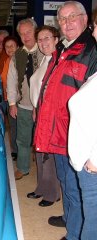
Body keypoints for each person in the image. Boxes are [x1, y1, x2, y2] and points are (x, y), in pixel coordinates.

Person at [34, 1, 97, 239]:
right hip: (60, 132)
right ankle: (71, 219)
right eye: (62, 19)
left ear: (85, 20)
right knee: (66, 183)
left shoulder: (91, 51)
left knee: (77, 188)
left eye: (73, 17)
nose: (67, 23)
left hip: (75, 134)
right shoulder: (62, 48)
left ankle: (76, 232)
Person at [68, 8, 97, 240]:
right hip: (86, 160)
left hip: (92, 165)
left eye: (95, 27)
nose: (93, 33)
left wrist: (95, 160)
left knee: (92, 226)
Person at [27, 26, 61, 207]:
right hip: (39, 111)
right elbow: (38, 88)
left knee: (49, 155)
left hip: (51, 114)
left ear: (56, 39)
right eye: (40, 40)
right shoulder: (45, 59)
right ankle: (41, 187)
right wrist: (34, 107)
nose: (43, 43)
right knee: (40, 153)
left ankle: (52, 193)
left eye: (47, 38)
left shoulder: (58, 60)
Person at [7, 18, 43, 180]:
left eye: (28, 32)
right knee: (22, 139)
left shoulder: (46, 51)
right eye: (22, 34)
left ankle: (44, 172)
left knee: (42, 140)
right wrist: (12, 103)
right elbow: (11, 80)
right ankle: (23, 167)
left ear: (35, 31)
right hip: (24, 105)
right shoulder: (17, 55)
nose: (25, 36)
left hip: (43, 106)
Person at [1, 36, 19, 160]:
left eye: (12, 45)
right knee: (13, 126)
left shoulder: (18, 60)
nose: (9, 48)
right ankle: (15, 150)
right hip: (9, 97)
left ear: (18, 46)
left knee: (18, 126)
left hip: (17, 99)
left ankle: (18, 151)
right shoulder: (8, 60)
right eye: (7, 46)